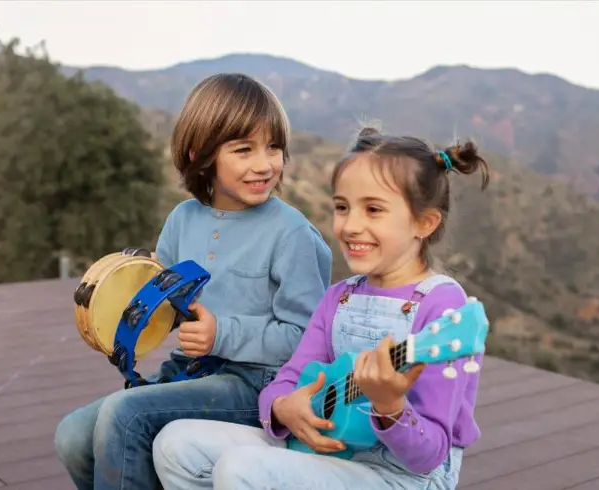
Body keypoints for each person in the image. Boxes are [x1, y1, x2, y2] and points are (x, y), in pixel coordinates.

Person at [152, 125, 490, 490]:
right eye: (342, 207)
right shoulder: (339, 296)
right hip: (325, 451)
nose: (351, 225)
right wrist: (283, 407)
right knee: (175, 444)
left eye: (373, 209)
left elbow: (429, 456)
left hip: (399, 477)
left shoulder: (442, 305)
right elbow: (287, 377)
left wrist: (390, 404)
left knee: (242, 467)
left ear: (424, 223)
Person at [53, 73, 335, 490]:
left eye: (273, 147)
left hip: (258, 383)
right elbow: (166, 309)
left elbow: (308, 339)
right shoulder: (183, 220)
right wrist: (136, 297)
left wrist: (221, 333)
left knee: (125, 416)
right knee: (72, 436)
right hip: (190, 371)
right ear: (199, 153)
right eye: (244, 150)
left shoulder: (290, 233)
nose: (265, 164)